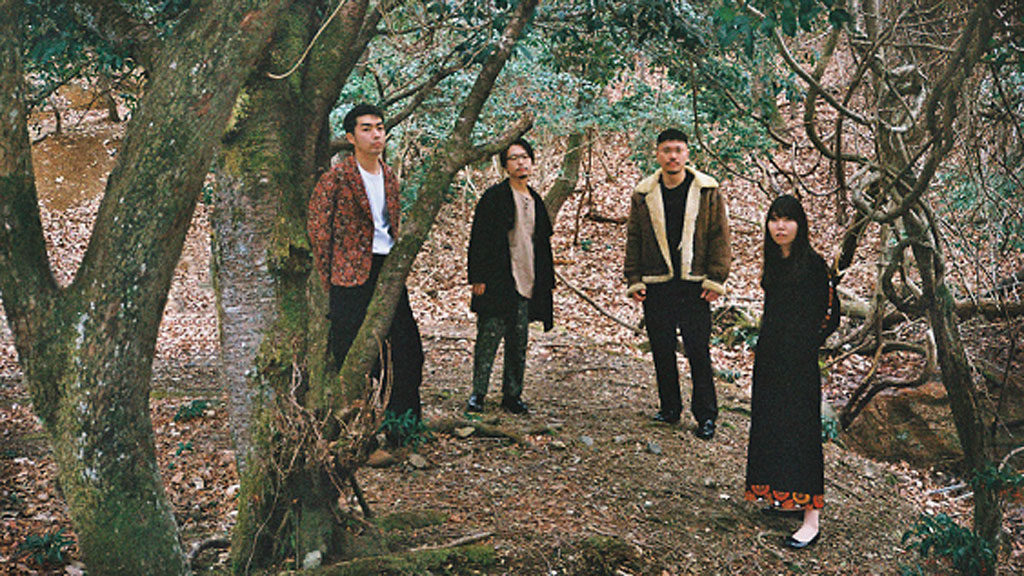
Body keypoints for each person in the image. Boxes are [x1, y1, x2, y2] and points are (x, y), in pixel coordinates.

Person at [308, 103, 423, 424]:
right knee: (353, 355)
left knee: (407, 349)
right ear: (351, 137)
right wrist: (331, 275)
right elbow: (319, 230)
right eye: (367, 129)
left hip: (387, 269)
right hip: (348, 277)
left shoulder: (390, 176)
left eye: (380, 128)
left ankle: (403, 426)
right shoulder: (336, 178)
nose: (376, 135)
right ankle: (355, 428)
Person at [623, 128, 732, 440]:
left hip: (695, 285)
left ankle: (706, 415)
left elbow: (720, 236)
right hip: (657, 283)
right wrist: (634, 278)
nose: (672, 156)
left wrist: (716, 277)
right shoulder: (643, 193)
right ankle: (670, 408)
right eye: (667, 150)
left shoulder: (707, 191)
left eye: (678, 150)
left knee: (698, 351)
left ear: (687, 154)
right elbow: (634, 237)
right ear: (657, 154)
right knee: (662, 349)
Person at [744, 195, 835, 550]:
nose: (780, 226)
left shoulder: (813, 265)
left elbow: (831, 315)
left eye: (787, 219)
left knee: (801, 431)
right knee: (772, 424)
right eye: (774, 219)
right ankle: (785, 498)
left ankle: (812, 520)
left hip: (798, 363)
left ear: (800, 224)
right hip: (770, 358)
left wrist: (805, 344)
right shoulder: (774, 262)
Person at [466, 138, 555, 415]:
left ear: (532, 161)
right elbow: (478, 238)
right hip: (497, 280)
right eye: (514, 158)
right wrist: (477, 277)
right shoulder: (494, 198)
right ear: (505, 165)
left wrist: (546, 284)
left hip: (527, 279)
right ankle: (478, 393)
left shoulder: (536, 201)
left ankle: (512, 395)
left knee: (518, 342)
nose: (521, 163)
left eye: (525, 157)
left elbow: (543, 246)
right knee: (488, 338)